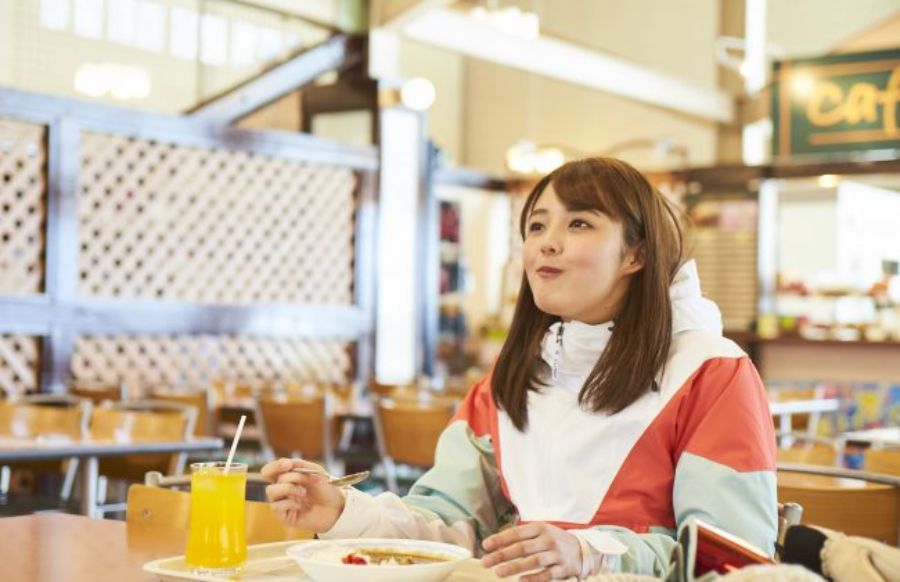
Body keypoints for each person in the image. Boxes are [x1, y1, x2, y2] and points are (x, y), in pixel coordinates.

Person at [262, 157, 777, 580]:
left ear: (636, 254)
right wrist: (341, 512)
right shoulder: (506, 385)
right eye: (536, 225)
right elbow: (449, 527)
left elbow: (735, 562)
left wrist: (588, 555)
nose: (545, 243)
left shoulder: (712, 373)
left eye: (578, 223)